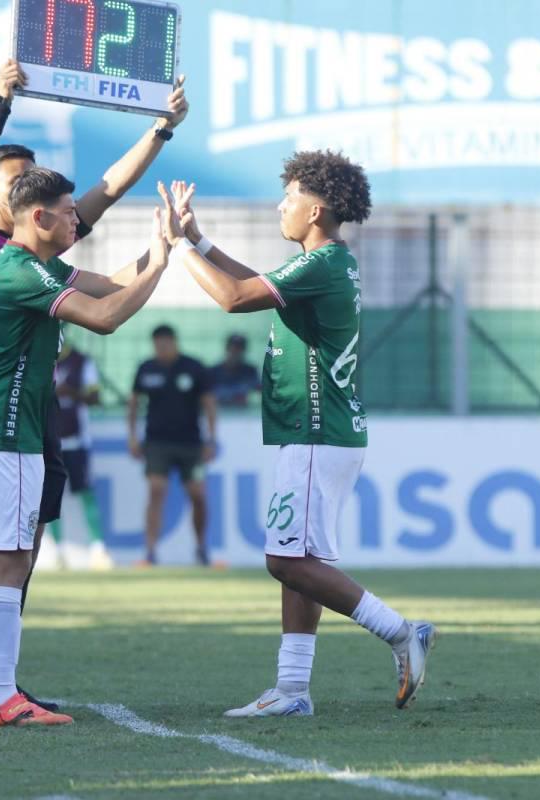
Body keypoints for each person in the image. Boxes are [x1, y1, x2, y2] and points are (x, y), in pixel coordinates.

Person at [0, 57, 189, 708]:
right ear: (8, 199)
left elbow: (106, 205)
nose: (58, 202)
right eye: (21, 179)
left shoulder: (41, 257)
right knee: (4, 556)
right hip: (0, 409)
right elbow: (105, 313)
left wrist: (160, 132)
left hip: (23, 407)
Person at [161, 151, 437, 717]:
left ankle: (400, 632)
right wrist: (201, 240)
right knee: (301, 560)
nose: (280, 207)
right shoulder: (330, 262)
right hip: (322, 431)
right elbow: (252, 284)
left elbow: (234, 298)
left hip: (316, 431)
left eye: (288, 197)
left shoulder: (323, 264)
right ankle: (291, 691)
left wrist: (177, 246)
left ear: (315, 209)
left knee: (286, 562)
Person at [128, 325, 217, 566]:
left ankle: (201, 548)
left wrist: (211, 439)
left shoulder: (194, 367)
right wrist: (133, 437)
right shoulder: (146, 369)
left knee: (198, 495)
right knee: (156, 491)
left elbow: (209, 404)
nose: (162, 348)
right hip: (157, 442)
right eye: (158, 344)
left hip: (191, 443)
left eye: (166, 343)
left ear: (175, 342)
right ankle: (150, 551)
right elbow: (134, 404)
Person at [49, 337, 113, 570]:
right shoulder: (41, 357)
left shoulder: (82, 361)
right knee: (50, 498)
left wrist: (70, 392)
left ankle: (98, 548)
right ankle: (58, 550)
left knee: (85, 492)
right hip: (50, 442)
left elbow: (95, 398)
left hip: (77, 441)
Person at [210, 333, 261, 408]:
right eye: (233, 349)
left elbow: (261, 390)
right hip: (219, 413)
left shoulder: (250, 370)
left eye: (239, 349)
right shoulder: (213, 371)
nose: (236, 353)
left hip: (241, 415)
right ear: (227, 349)